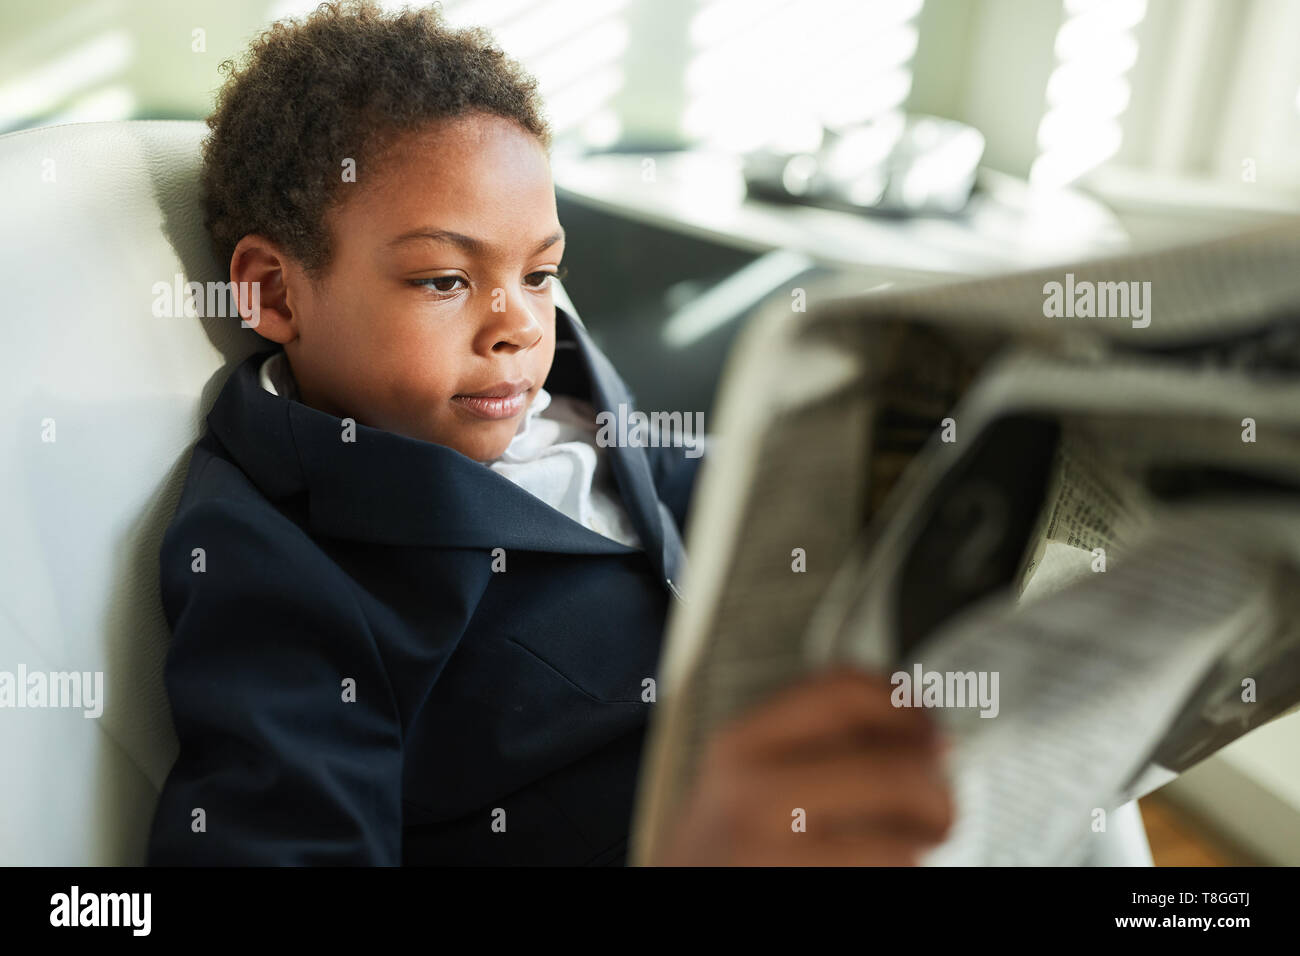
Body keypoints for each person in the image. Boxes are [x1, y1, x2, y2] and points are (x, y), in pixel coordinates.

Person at [146, 0, 954, 866]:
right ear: (273, 293)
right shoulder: (273, 560)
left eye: (540, 272)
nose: (520, 325)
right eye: (446, 279)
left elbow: (670, 485)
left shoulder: (556, 385)